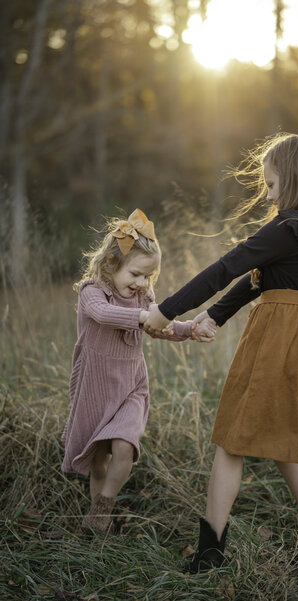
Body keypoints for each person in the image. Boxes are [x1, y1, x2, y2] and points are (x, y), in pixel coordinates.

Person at [143, 133, 298, 571]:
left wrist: (165, 311)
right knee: (290, 446)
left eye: (272, 186)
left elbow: (227, 267)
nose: (269, 197)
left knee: (231, 442)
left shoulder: (286, 227)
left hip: (278, 342)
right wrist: (215, 317)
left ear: (293, 180)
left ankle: (210, 552)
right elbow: (259, 278)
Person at [61, 209, 216, 536]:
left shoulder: (144, 298)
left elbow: (160, 328)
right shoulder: (92, 292)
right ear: (111, 265)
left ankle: (104, 506)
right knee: (99, 458)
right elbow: (104, 315)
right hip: (96, 386)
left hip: (131, 385)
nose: (142, 283)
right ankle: (97, 524)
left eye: (148, 276)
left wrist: (189, 328)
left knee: (125, 447)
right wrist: (146, 317)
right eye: (135, 274)